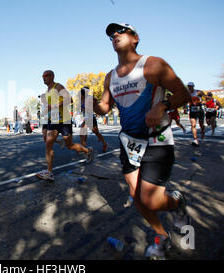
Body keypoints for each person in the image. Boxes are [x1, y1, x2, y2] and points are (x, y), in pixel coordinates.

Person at [94, 22, 191, 259]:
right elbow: (104, 108)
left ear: (135, 37)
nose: (114, 35)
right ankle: (163, 239)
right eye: (111, 34)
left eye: (120, 31)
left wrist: (162, 105)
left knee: (151, 199)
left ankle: (177, 202)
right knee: (138, 198)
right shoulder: (110, 76)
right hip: (129, 143)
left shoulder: (153, 64)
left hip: (156, 140)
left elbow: (183, 94)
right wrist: (88, 103)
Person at [36, 70, 93, 181]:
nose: (43, 77)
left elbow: (69, 100)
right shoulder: (47, 91)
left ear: (52, 76)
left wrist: (53, 106)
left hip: (64, 121)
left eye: (46, 75)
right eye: (42, 76)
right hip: (53, 121)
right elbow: (49, 108)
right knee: (48, 145)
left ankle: (87, 151)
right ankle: (49, 172)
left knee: (69, 145)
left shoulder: (58, 87)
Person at [79, 87, 108, 152]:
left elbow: (96, 100)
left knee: (95, 132)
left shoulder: (89, 98)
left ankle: (104, 144)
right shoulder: (81, 99)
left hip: (91, 118)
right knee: (83, 132)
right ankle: (83, 147)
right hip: (86, 118)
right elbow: (82, 108)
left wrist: (94, 107)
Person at [187, 82, 205, 146]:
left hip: (199, 109)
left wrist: (202, 101)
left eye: (191, 86)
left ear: (193, 86)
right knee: (193, 125)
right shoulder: (187, 93)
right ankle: (195, 139)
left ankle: (203, 130)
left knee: (201, 125)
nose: (189, 87)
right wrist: (185, 107)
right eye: (188, 86)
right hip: (192, 109)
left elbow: (206, 98)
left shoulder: (198, 92)